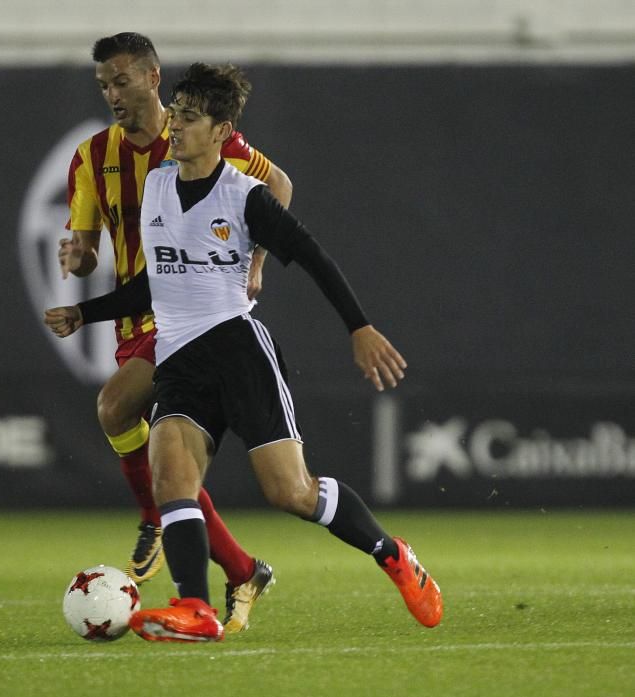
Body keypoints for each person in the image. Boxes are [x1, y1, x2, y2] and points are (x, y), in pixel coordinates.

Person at [46, 62, 443, 642]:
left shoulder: (245, 197)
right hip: (178, 357)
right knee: (171, 479)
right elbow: (158, 280)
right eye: (174, 114)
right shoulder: (157, 185)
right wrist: (89, 311)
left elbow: (313, 257)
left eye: (187, 118)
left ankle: (392, 552)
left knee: (292, 493)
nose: (174, 126)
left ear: (220, 130)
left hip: (237, 349)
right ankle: (195, 609)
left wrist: (359, 327)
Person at [60, 33, 292, 632]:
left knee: (116, 408)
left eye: (121, 81)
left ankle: (156, 521)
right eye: (103, 86)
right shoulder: (91, 158)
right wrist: (76, 256)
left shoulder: (198, 133)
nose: (112, 94)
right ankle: (241, 569)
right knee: (170, 467)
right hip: (138, 316)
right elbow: (86, 252)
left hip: (189, 315)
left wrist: (256, 262)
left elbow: (280, 188)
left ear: (152, 77)